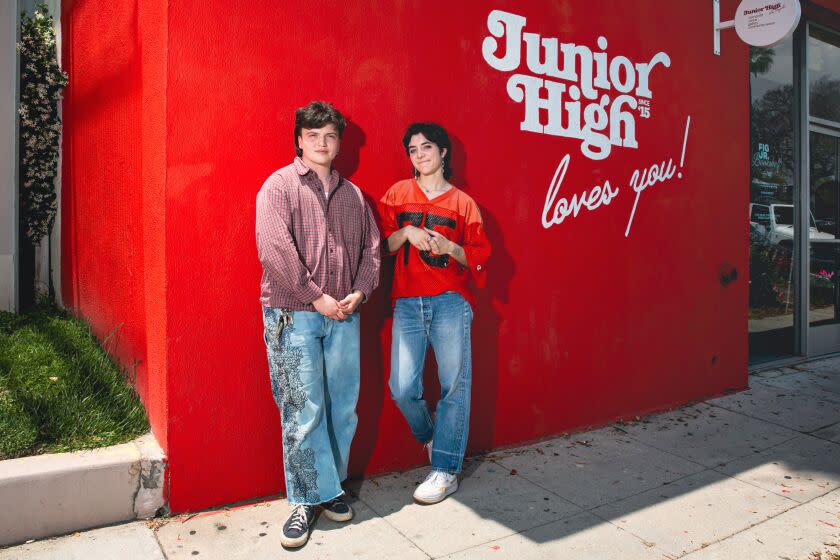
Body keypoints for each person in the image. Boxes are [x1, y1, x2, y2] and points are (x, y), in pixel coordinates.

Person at [255, 101, 380, 548]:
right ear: (299, 140)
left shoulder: (354, 196)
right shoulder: (278, 187)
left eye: (329, 136)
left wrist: (359, 293)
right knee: (302, 409)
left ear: (338, 142)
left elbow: (371, 250)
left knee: (343, 409)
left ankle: (329, 489)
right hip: (293, 315)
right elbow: (274, 250)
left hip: (344, 315)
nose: (322, 143)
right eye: (313, 135)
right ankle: (305, 501)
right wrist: (318, 298)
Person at [380, 122, 491, 504]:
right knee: (402, 387)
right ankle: (431, 436)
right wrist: (407, 234)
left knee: (454, 386)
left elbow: (477, 256)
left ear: (444, 152)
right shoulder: (397, 194)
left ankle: (445, 469)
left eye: (427, 147)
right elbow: (379, 246)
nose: (420, 155)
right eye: (413, 150)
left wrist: (450, 247)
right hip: (408, 303)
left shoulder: (463, 203)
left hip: (450, 302)